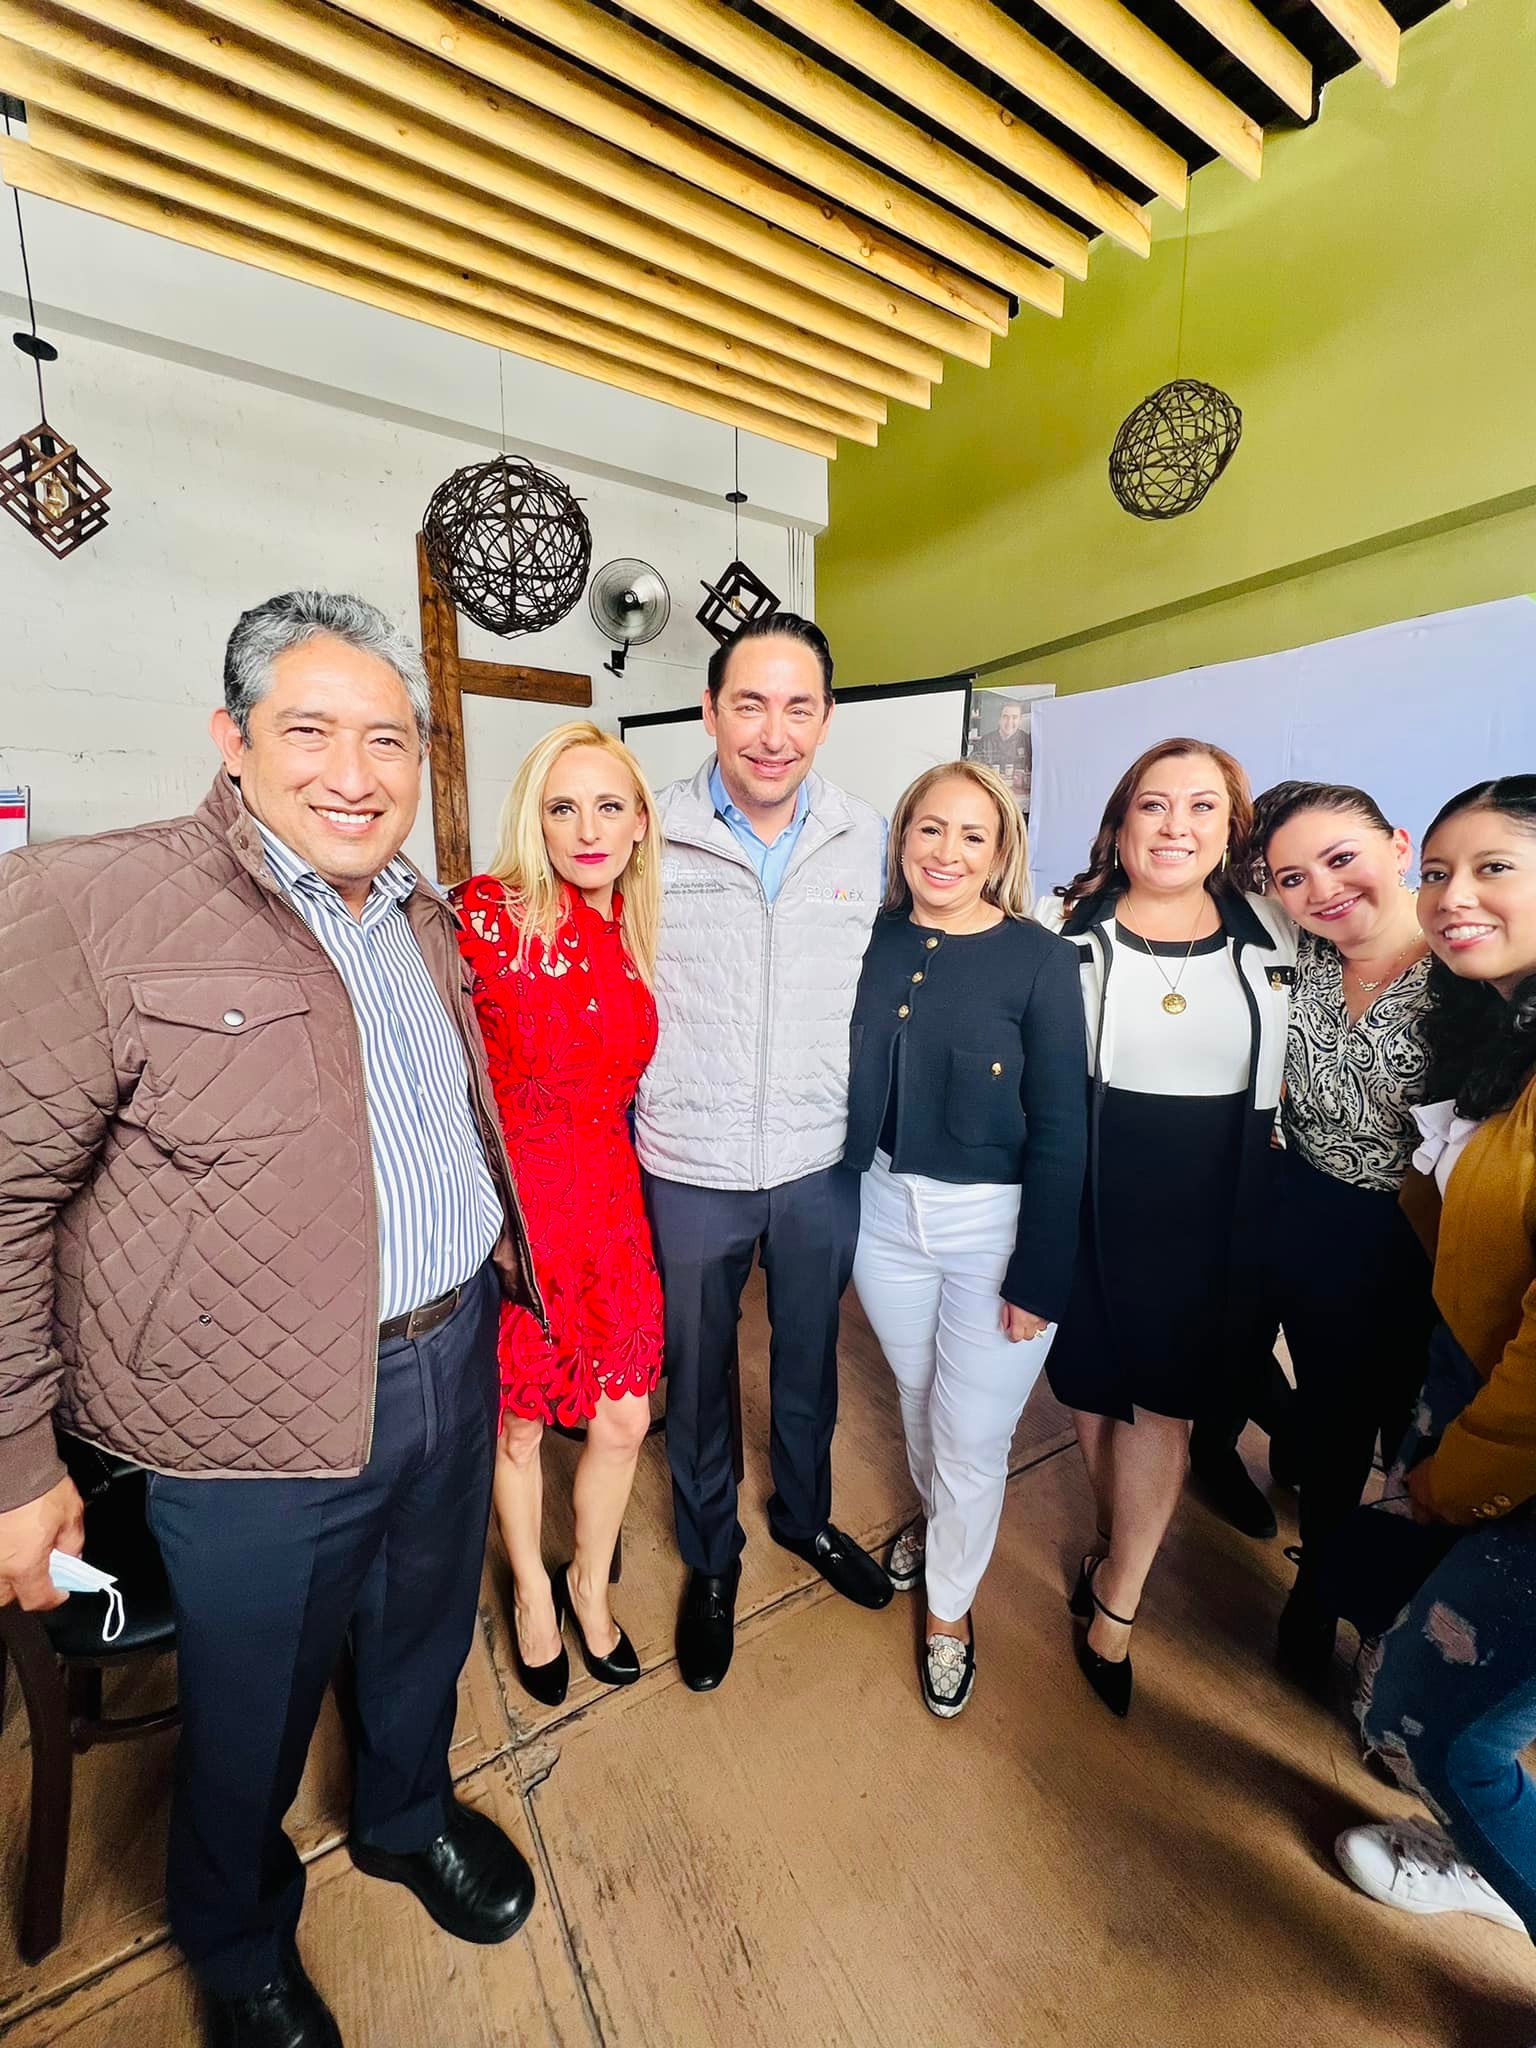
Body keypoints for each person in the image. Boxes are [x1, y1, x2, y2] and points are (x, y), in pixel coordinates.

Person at [0, 593, 542, 2048]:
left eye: (389, 740)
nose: (355, 774)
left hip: (450, 1354)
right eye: (310, 731)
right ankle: (235, 1934)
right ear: (231, 739)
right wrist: (15, 1463)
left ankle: (404, 1813)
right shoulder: (91, 903)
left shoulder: (421, 911)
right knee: (252, 1706)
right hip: (245, 1419)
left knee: (423, 1630)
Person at [636, 612, 893, 1694]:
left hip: (816, 1155)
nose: (772, 732)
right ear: (710, 711)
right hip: (688, 1156)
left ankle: (804, 1514)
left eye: (798, 707)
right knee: (697, 1374)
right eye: (749, 703)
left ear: (826, 719)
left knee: (808, 1359)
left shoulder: (867, 836)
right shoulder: (647, 829)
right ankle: (711, 1557)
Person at [1039, 737, 1294, 1718]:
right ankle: (1115, 1534)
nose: (1176, 825)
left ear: (1232, 829)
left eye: (1201, 806)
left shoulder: (1279, 932)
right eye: (1154, 804)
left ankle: (1120, 1598)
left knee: (1166, 1410)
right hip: (1092, 1199)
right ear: (1121, 823)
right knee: (1093, 1393)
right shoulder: (1064, 935)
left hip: (1215, 1208)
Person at [1334, 774, 1536, 1948]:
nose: (1454, 895)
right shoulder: (1489, 1023)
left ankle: (1492, 1856)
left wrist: (1451, 1477)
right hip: (1466, 1375)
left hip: (1514, 1434)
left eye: (1494, 866)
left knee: (1444, 1728)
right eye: (1442, 873)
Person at [844, 761, 1086, 1716]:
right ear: (902, 838)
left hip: (995, 1225)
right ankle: (938, 1520)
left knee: (974, 1434)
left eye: (972, 835)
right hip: (881, 1210)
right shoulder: (869, 939)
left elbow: (1064, 1127)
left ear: (1000, 851)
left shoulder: (1040, 960)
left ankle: (948, 1607)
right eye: (929, 829)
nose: (947, 851)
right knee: (918, 1397)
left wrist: (1042, 1273)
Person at [451, 723, 663, 1706]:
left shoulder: (634, 927)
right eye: (562, 807)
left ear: (639, 822)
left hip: (611, 1206)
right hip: (520, 1215)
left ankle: (589, 1580)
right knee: (520, 1424)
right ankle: (533, 1591)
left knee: (624, 1416)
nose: (587, 829)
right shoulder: (484, 916)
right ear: (533, 819)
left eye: (608, 806)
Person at [1250, 781, 1436, 1688]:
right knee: (1332, 1424)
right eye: (1293, 876)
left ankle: (1393, 1627)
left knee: (1415, 1444)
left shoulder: (1467, 966)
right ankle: (1317, 1586)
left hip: (1425, 1241)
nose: (1321, 889)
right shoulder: (1302, 959)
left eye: (1340, 858)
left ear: (1398, 846)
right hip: (1312, 1217)